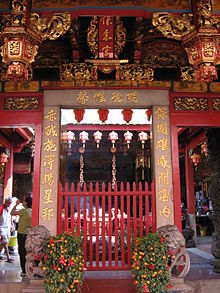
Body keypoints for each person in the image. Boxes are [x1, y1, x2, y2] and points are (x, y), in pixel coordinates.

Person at [11, 197, 32, 277]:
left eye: (24, 201)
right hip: (29, 235)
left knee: (22, 252)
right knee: (28, 252)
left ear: (26, 203)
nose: (22, 202)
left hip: (21, 234)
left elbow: (12, 213)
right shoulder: (33, 211)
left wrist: (16, 205)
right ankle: (29, 269)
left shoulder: (23, 211)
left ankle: (24, 270)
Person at [0, 197, 14, 263]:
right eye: (9, 203)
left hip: (7, 227)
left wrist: (12, 225)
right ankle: (8, 257)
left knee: (5, 242)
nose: (9, 204)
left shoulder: (9, 209)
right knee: (5, 241)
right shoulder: (1, 209)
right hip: (2, 227)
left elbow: (10, 217)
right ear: (6, 202)